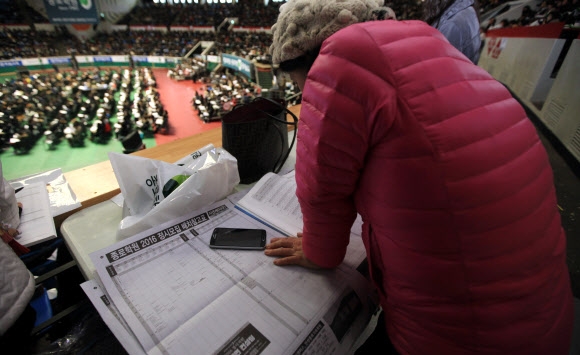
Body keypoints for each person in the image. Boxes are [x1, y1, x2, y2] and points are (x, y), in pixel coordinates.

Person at [265, 0, 573, 354]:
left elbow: (320, 188)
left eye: (295, 79)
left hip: (460, 336)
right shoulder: (429, 43)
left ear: (304, 57)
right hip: (543, 321)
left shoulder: (340, 59)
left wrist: (319, 250)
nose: (301, 90)